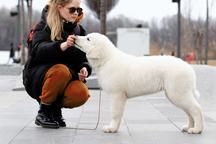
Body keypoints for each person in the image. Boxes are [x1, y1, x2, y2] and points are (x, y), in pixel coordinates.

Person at [23, 0, 92, 129]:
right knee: (61, 71)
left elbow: (83, 58)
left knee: (81, 93)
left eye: (79, 10)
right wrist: (63, 45)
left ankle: (54, 111)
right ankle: (44, 111)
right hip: (37, 77)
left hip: (64, 77)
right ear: (60, 8)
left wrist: (84, 68)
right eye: (72, 9)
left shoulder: (79, 30)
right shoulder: (43, 26)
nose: (76, 13)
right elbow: (37, 50)